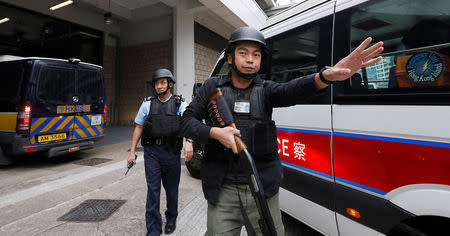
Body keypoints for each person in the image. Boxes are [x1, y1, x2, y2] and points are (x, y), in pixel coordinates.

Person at [181, 27, 384, 236]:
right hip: (223, 189)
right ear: (230, 58)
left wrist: (325, 76)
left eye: (256, 54)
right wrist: (215, 133)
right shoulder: (211, 87)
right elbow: (186, 121)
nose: (250, 59)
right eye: (243, 53)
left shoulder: (267, 89)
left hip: (263, 189)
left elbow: (292, 90)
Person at [127, 68, 193, 236]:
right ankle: (154, 228)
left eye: (163, 82)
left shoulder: (179, 103)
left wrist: (189, 142)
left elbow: (188, 123)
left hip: (171, 152)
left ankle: (171, 219)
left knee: (172, 190)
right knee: (153, 189)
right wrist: (132, 152)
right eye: (157, 83)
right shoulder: (147, 103)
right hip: (152, 153)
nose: (159, 86)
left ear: (170, 84)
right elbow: (139, 126)